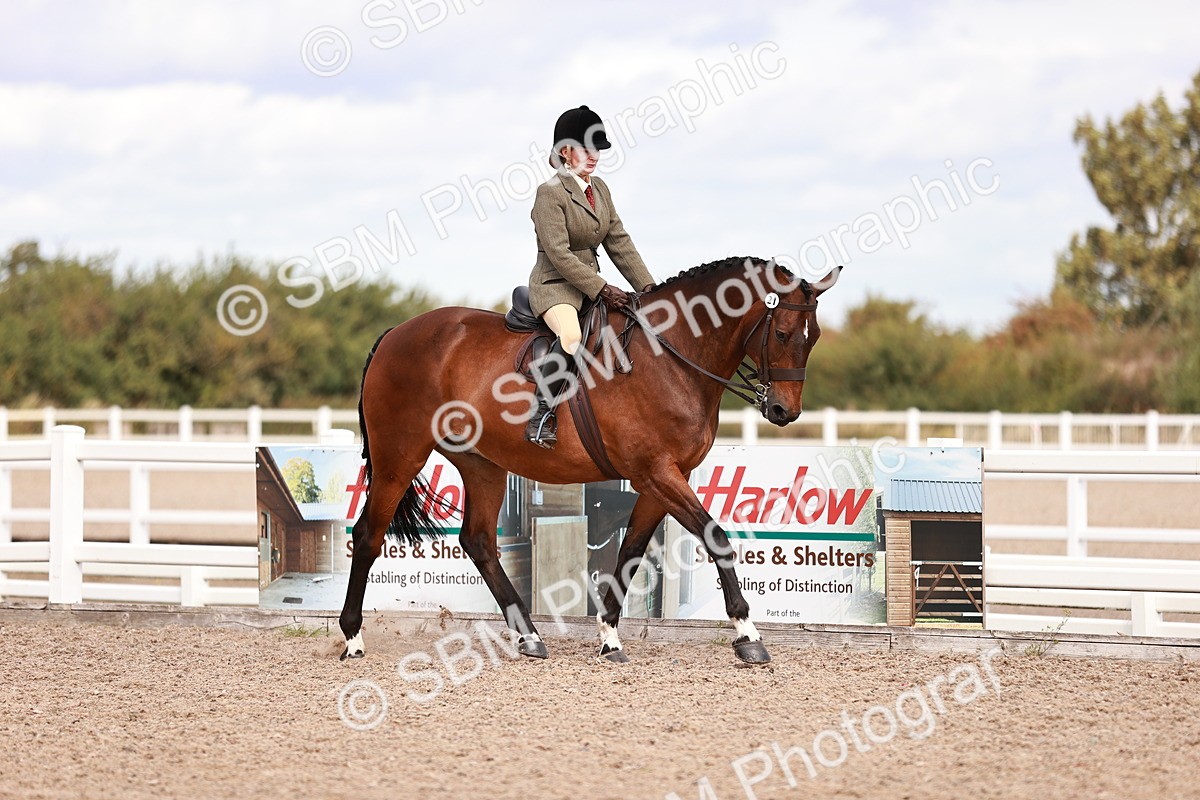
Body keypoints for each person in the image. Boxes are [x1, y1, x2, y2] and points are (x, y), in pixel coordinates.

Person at [525, 105, 656, 449]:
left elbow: (619, 242)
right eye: (586, 149)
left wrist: (650, 288)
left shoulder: (600, 190)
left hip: (591, 290)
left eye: (597, 149)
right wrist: (601, 287)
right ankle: (541, 415)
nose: (594, 156)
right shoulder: (549, 193)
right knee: (571, 336)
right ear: (565, 151)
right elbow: (559, 254)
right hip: (555, 289)